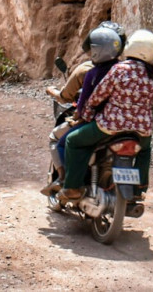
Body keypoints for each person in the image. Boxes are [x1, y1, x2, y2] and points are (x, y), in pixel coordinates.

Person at [58, 29, 153, 203]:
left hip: (110, 127)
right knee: (144, 151)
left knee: (73, 141)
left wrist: (87, 115)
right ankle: (139, 188)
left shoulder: (119, 69)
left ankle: (73, 187)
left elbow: (98, 95)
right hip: (142, 130)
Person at [43, 23, 125, 195]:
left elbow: (77, 103)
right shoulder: (126, 70)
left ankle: (67, 181)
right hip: (125, 123)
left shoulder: (87, 71)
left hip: (98, 123)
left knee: (61, 140)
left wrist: (52, 92)